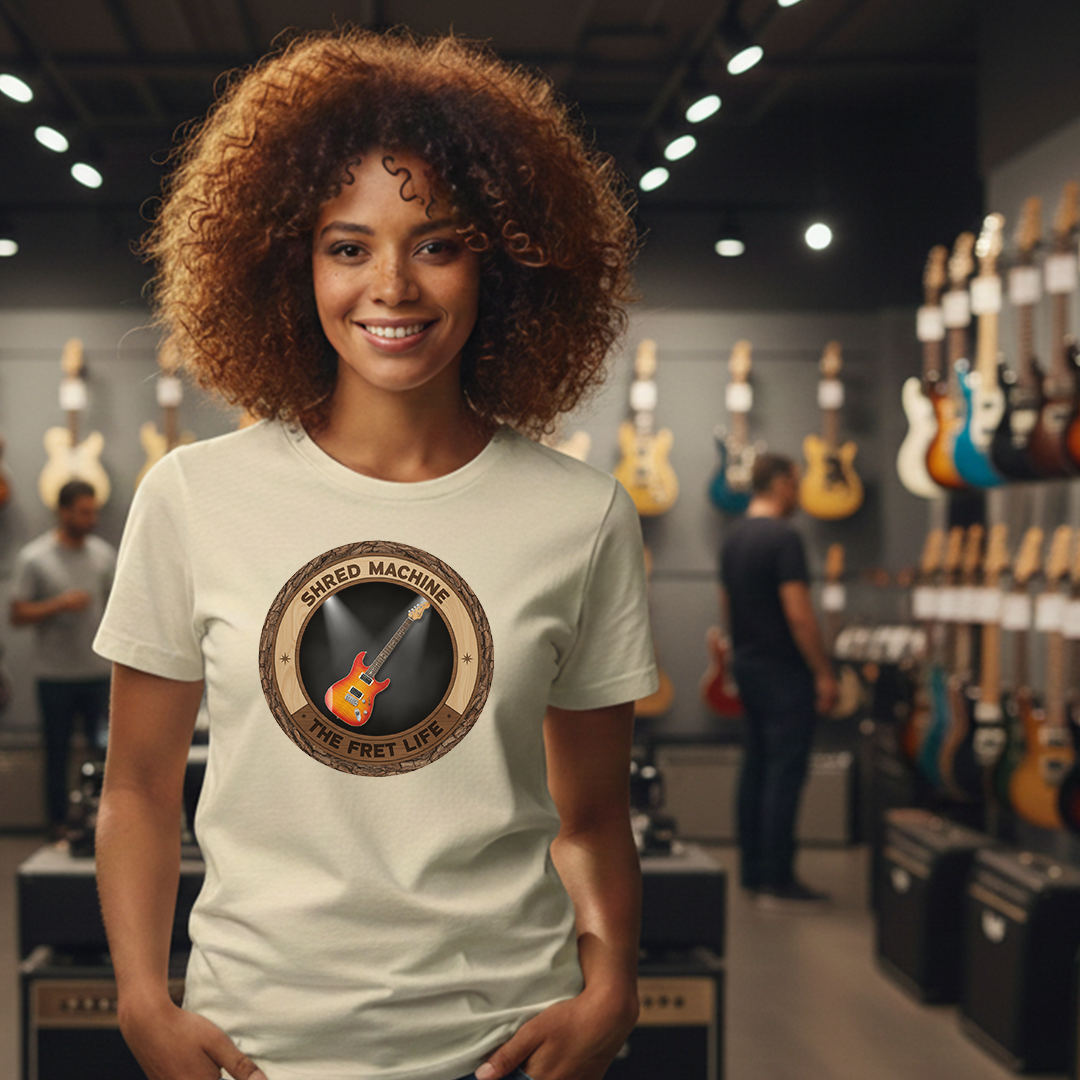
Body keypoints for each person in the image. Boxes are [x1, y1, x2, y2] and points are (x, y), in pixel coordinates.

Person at [93, 28, 657, 1080]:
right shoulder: (191, 498)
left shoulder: (579, 517)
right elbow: (136, 787)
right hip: (252, 1049)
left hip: (507, 1049)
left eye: (437, 243)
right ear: (288, 264)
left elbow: (592, 814)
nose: (391, 285)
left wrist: (613, 986)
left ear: (504, 260)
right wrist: (139, 1000)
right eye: (347, 247)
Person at [719, 453, 838, 907]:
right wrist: (823, 671)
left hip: (748, 665)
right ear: (785, 483)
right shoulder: (784, 539)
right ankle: (778, 876)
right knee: (784, 773)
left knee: (755, 767)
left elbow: (726, 605)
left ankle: (752, 871)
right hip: (785, 672)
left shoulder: (734, 539)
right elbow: (800, 615)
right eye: (798, 481)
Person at [10, 478, 115, 840]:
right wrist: (58, 605)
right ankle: (57, 827)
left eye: (94, 511)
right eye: (84, 511)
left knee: (105, 754)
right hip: (55, 677)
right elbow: (17, 614)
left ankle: (105, 827)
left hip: (98, 675)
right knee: (56, 755)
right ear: (64, 512)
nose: (91, 518)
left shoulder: (104, 555)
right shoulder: (34, 558)